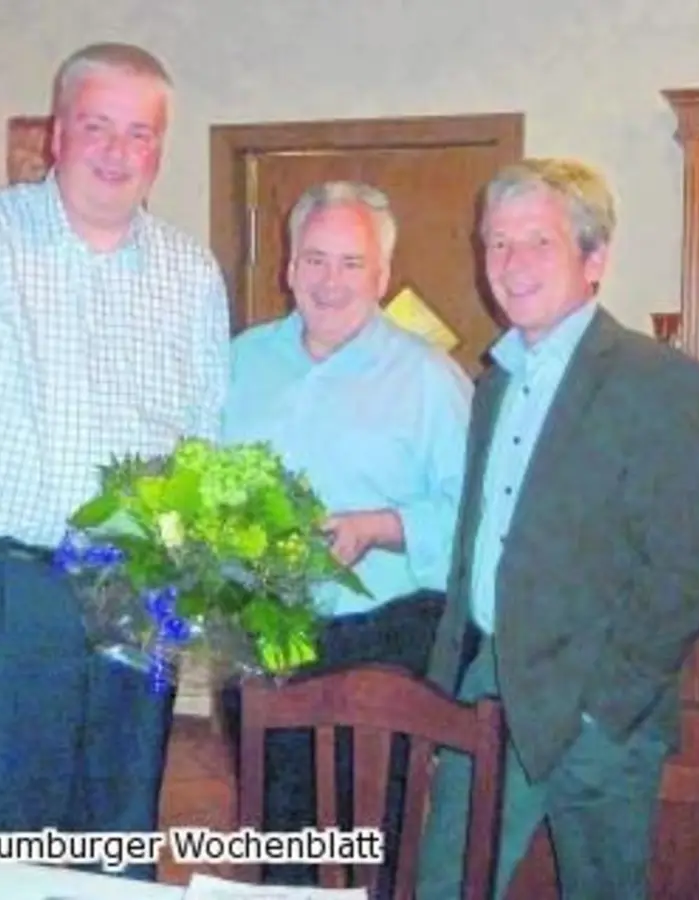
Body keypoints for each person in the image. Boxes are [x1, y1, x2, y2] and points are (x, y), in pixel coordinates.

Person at [0, 42, 230, 884]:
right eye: (97, 126)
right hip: (1, 591)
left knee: (120, 835)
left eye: (140, 133)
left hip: (139, 589)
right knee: (8, 849)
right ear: (58, 133)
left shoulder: (191, 271)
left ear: (160, 148)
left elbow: (200, 442)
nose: (117, 151)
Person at [415, 159, 699, 900]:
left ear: (595, 259)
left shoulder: (658, 382)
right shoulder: (495, 381)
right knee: (444, 886)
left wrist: (604, 705)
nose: (511, 263)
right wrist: (447, 684)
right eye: (497, 243)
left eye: (538, 242)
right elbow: (479, 546)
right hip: (491, 684)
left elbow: (687, 570)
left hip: (597, 704)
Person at [219, 181, 472, 893]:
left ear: (382, 276)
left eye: (352, 263)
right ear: (289, 266)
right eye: (316, 259)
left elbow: (476, 517)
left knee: (372, 842)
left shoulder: (428, 377)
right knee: (277, 833)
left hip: (382, 636)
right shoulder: (240, 361)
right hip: (263, 634)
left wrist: (378, 528)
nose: (331, 281)